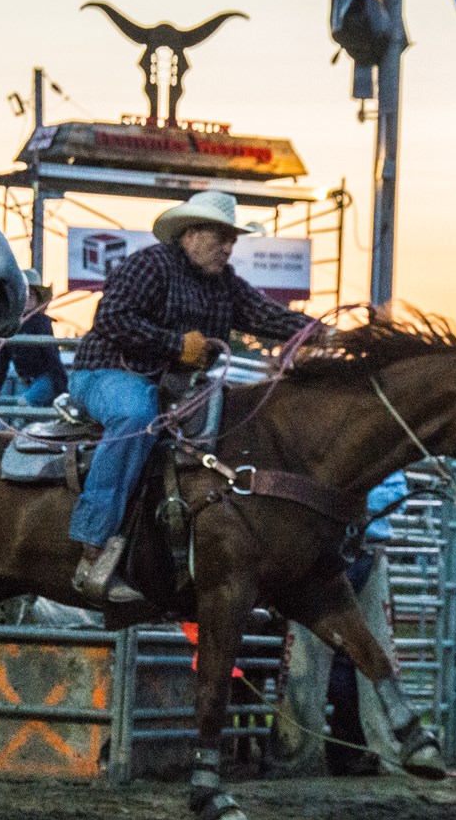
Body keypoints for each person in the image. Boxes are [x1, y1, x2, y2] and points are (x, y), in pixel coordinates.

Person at [68, 190, 316, 603]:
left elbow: (266, 315)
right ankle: (93, 546)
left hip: (172, 385)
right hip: (107, 371)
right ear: (190, 234)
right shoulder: (151, 264)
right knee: (136, 419)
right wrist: (173, 344)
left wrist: (319, 331)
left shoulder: (224, 284)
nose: (228, 246)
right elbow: (111, 318)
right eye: (220, 236)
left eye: (232, 239)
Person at [271, 471, 408, 777]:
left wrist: (346, 498)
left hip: (361, 552)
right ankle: (323, 748)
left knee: (353, 660)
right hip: (325, 556)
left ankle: (348, 749)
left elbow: (397, 491)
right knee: (331, 659)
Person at [0, 269, 67, 407]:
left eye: (31, 296)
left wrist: (62, 390)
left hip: (46, 379)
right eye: (24, 294)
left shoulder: (40, 322)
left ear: (38, 301)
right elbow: (1, 362)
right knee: (26, 408)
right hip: (28, 382)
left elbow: (52, 357)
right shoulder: (8, 325)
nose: (27, 299)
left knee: (24, 405)